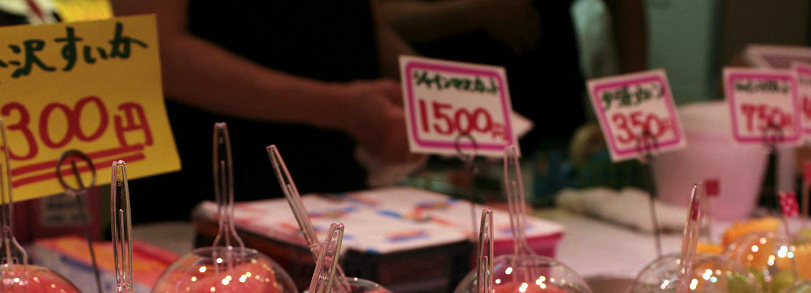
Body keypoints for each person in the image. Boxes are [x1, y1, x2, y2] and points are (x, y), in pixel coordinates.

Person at [110, 1, 420, 222]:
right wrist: (339, 107)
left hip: (339, 194)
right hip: (208, 188)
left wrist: (438, 92)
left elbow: (362, 20)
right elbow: (155, 51)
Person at [378, 0, 647, 154]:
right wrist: (475, 12)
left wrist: (631, 105)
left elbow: (627, 6)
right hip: (439, 124)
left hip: (553, 115)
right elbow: (369, 18)